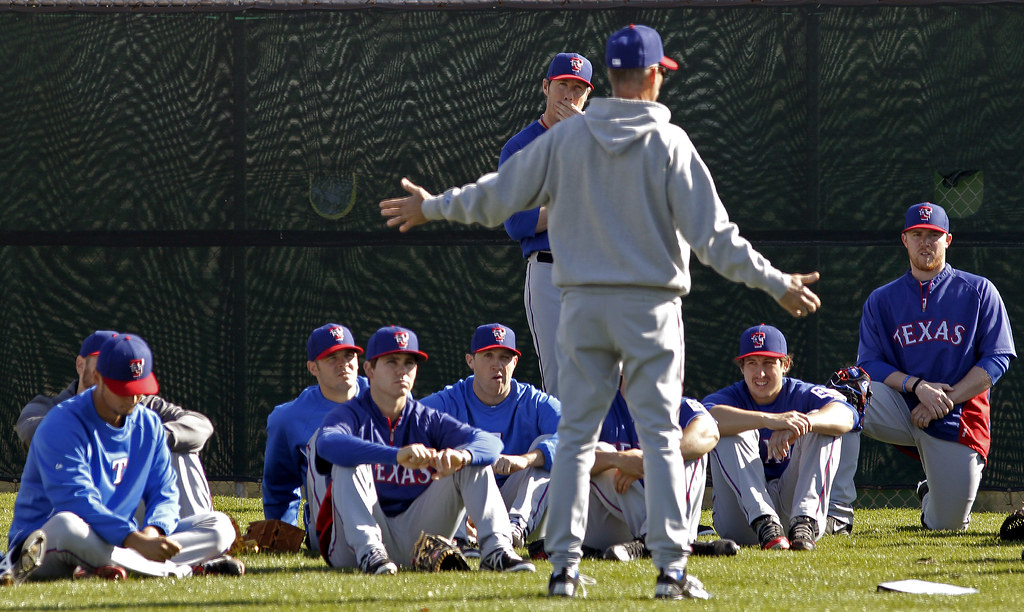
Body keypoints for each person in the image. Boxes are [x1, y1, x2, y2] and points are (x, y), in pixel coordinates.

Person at [379, 24, 821, 600]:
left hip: (582, 305)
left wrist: (431, 206)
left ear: (607, 80)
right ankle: (670, 572)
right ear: (656, 76)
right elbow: (716, 239)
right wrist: (776, 281)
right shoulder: (669, 143)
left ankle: (563, 568)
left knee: (574, 434)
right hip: (649, 309)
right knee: (661, 438)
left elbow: (496, 195)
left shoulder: (568, 140)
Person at [3, 334, 242, 583]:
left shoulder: (148, 424)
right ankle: (181, 569)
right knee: (67, 525)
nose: (133, 398)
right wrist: (134, 540)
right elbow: (75, 500)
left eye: (139, 389)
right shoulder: (61, 423)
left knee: (218, 526)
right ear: (98, 378)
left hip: (118, 541)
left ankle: (103, 565)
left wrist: (153, 531)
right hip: (46, 542)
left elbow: (165, 491)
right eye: (124, 389)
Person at [313, 325, 535, 575]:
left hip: (417, 540)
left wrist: (461, 456)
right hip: (352, 546)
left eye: (409, 363)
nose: (402, 371)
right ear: (370, 369)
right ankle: (370, 553)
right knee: (348, 461)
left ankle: (496, 550)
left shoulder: (425, 419)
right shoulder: (351, 415)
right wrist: (394, 455)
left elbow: (489, 444)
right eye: (392, 361)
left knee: (471, 459)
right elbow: (327, 444)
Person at [852, 202, 1015, 530]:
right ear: (905, 240)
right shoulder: (882, 299)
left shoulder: (979, 291)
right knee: (843, 397)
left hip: (958, 413)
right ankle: (836, 512)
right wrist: (918, 387)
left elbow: (998, 358)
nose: (925, 242)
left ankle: (935, 493)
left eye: (934, 235)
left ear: (948, 240)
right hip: (902, 405)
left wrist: (945, 400)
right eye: (918, 234)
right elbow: (869, 363)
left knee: (947, 525)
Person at [16, 330, 215, 519]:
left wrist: (152, 438)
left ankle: (192, 543)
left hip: (134, 510)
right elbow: (33, 430)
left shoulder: (143, 405)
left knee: (182, 453)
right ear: (80, 365)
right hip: (75, 518)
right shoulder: (50, 407)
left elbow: (200, 425)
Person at [703, 324, 860, 552]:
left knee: (820, 423)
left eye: (768, 363)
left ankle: (805, 522)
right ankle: (765, 523)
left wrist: (801, 425)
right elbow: (706, 418)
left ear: (785, 364)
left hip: (790, 511)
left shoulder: (801, 393)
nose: (760, 373)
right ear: (742, 368)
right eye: (752, 363)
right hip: (742, 520)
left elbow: (847, 415)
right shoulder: (730, 397)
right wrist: (769, 420)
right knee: (725, 428)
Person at [420, 323, 561, 553]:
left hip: (518, 505)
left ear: (515, 363)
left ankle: (515, 531)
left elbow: (575, 435)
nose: (497, 365)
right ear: (470, 361)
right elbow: (405, 427)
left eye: (505, 357)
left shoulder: (533, 401)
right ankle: (461, 538)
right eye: (488, 355)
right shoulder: (451, 399)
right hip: (465, 507)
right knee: (457, 449)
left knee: (546, 450)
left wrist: (527, 459)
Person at [501, 52, 593, 397]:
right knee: (559, 381)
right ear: (545, 87)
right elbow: (517, 222)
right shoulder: (521, 147)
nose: (569, 96)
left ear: (587, 96)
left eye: (578, 88)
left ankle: (616, 451)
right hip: (549, 271)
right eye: (562, 86)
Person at [590, 388, 738, 560]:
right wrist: (618, 459)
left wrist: (649, 461)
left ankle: (650, 541)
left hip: (660, 521)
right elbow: (569, 457)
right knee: (601, 453)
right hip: (612, 523)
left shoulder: (674, 403)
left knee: (692, 449)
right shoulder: (597, 404)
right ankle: (669, 540)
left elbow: (708, 432)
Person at [263, 323, 367, 552]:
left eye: (349, 355)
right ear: (313, 368)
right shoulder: (289, 418)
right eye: (331, 357)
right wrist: (282, 536)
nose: (343, 364)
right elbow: (279, 485)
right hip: (332, 524)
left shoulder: (386, 398)